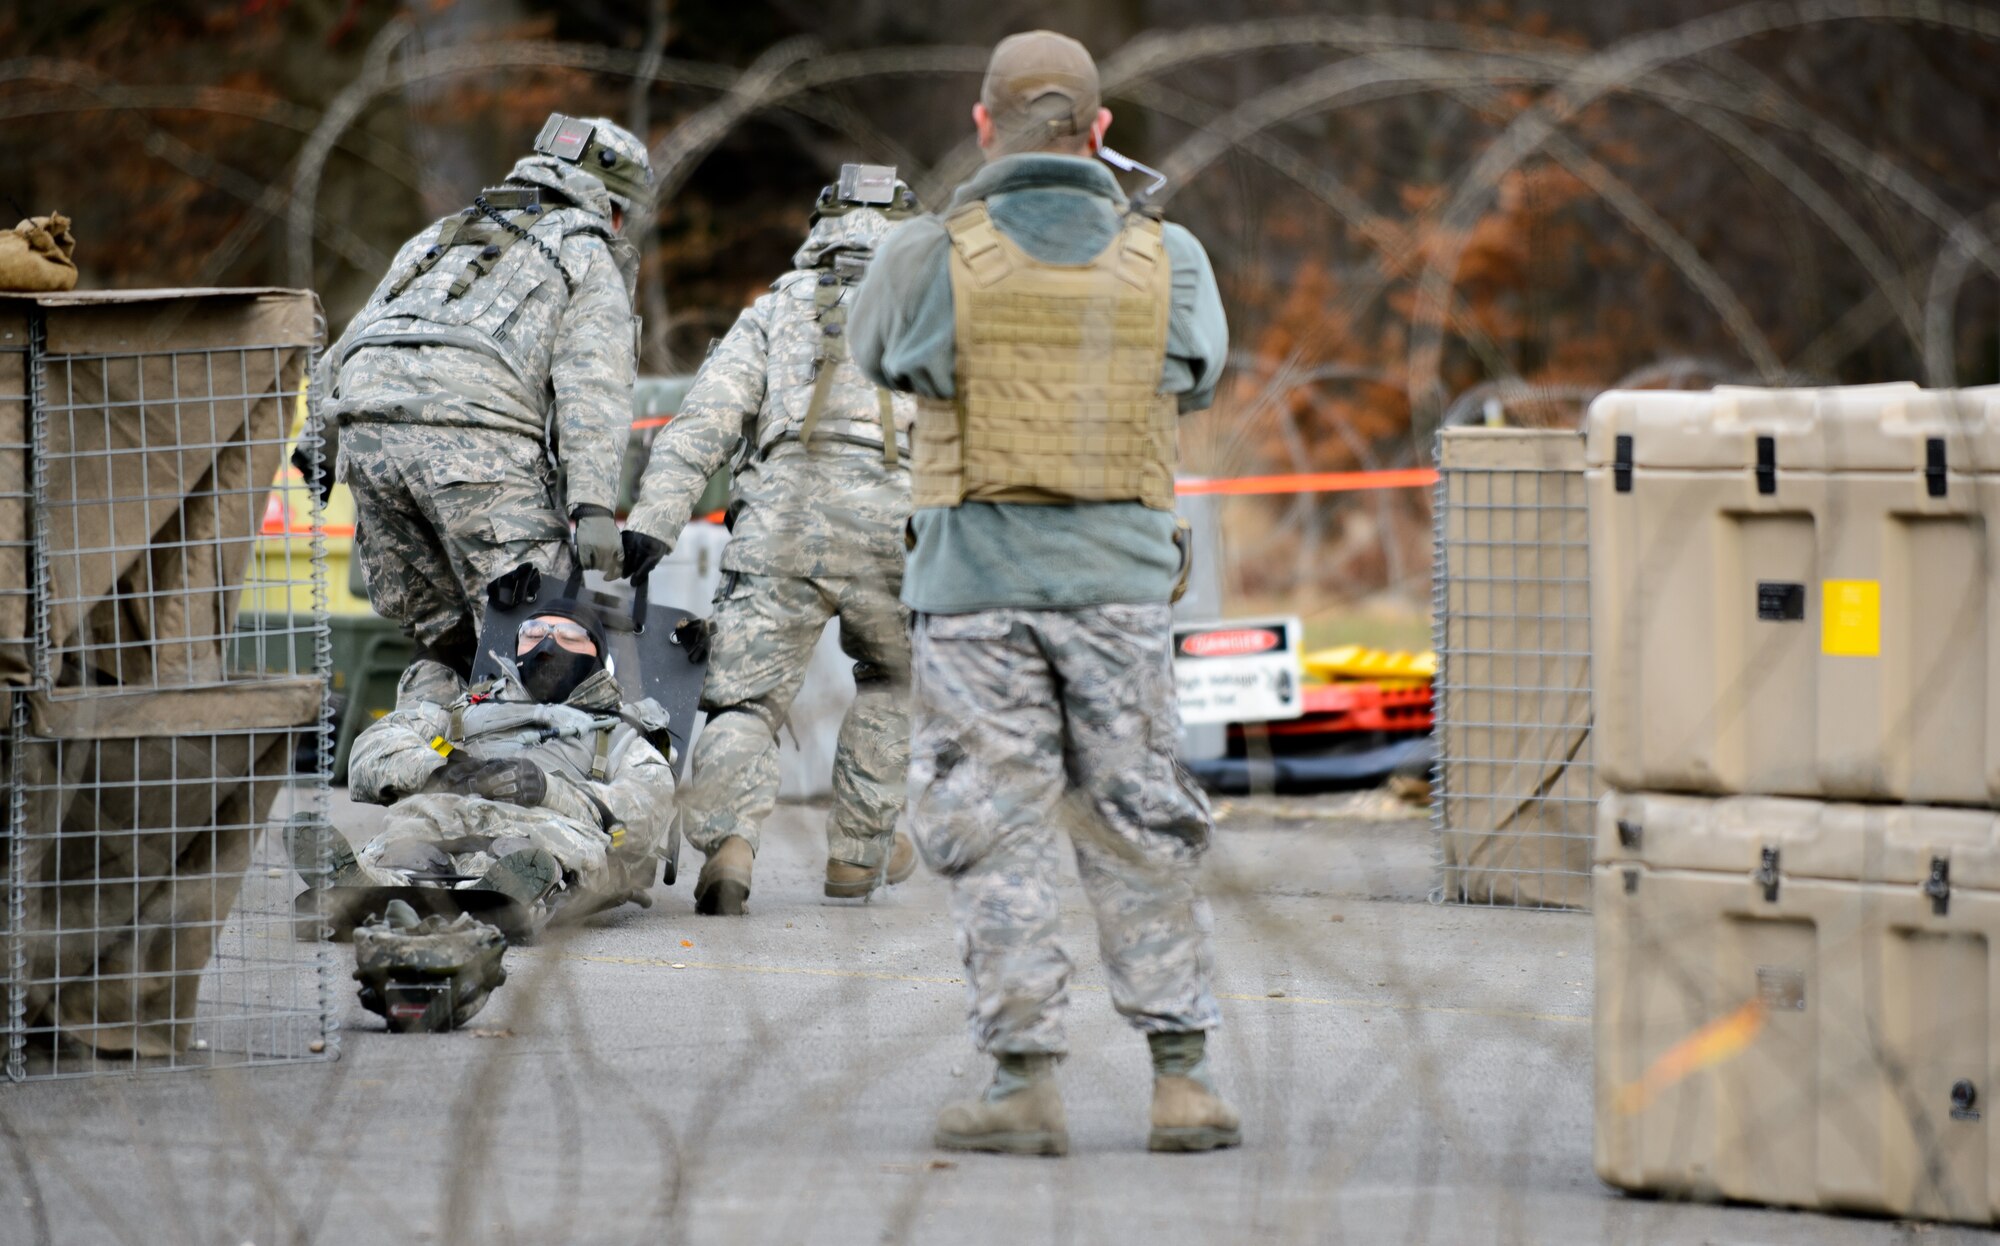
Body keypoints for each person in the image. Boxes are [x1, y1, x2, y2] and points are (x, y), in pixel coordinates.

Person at [849, 31, 1239, 1155]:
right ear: (1099, 132)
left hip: (975, 589)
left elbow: (876, 352)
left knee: (994, 826)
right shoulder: (1171, 258)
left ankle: (1022, 1081)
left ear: (982, 126)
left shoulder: (925, 255)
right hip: (1117, 586)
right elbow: (1199, 371)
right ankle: (1182, 1078)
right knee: (1139, 820)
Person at [621, 166, 923, 915]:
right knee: (891, 682)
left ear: (819, 229)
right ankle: (859, 855)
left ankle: (728, 846)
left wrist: (653, 523)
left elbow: (701, 426)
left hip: (779, 525)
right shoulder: (940, 310)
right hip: (897, 523)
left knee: (744, 702)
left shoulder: (776, 312)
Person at [310, 114, 651, 677]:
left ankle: (415, 761)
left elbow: (356, 341)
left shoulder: (443, 235)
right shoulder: (586, 252)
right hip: (473, 446)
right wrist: (591, 507)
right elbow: (593, 386)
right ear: (613, 207)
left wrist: (315, 447)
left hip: (367, 445)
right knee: (543, 642)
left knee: (444, 649)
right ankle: (519, 764)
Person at [311, 598, 676, 923]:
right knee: (409, 843)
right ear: (516, 646)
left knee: (520, 855)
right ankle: (375, 884)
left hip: (541, 836)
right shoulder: (466, 710)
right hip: (444, 819)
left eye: (568, 634)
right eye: (533, 632)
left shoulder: (619, 733)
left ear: (596, 655)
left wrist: (549, 790)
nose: (547, 643)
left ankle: (498, 890)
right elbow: (373, 746)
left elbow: (644, 810)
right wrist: (437, 768)